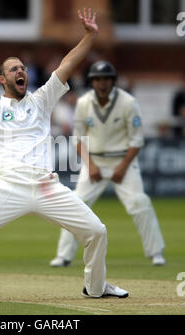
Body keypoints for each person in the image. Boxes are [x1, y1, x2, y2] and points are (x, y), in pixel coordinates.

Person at [0, 9, 129, 300]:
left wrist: (89, 35)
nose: (21, 72)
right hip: (8, 186)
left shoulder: (41, 100)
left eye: (23, 69)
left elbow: (67, 64)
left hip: (47, 186)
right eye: (14, 69)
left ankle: (95, 287)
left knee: (97, 231)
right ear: (2, 79)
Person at [50, 61, 166, 268]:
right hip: (94, 161)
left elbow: (137, 140)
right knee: (75, 203)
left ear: (113, 81)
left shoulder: (128, 103)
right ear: (92, 82)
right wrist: (91, 165)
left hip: (124, 162)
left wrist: (122, 167)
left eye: (105, 79)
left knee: (140, 203)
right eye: (97, 79)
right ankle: (63, 255)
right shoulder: (84, 102)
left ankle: (155, 252)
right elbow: (78, 138)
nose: (101, 83)